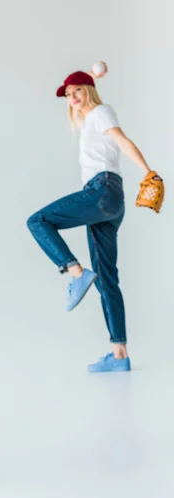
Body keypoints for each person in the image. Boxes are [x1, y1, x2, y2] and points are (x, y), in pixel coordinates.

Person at [27, 65, 160, 372]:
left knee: (38, 221)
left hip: (102, 190)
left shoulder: (100, 112)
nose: (72, 97)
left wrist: (147, 171)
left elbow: (124, 141)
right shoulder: (89, 121)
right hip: (110, 200)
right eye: (69, 93)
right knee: (108, 280)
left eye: (77, 90)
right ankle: (119, 355)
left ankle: (75, 273)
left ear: (88, 91)